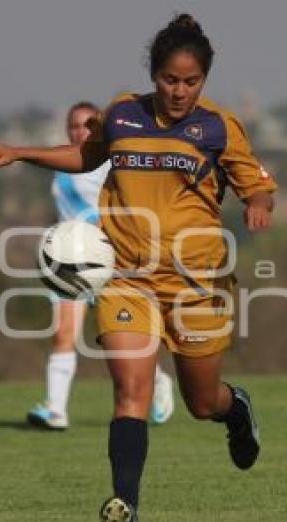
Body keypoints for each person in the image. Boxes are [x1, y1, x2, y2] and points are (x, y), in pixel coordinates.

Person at [0, 14, 276, 522]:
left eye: (191, 82)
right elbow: (84, 156)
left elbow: (256, 184)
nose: (179, 91)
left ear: (204, 80)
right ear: (154, 73)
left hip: (197, 281)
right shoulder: (122, 113)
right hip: (127, 277)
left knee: (201, 402)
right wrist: (21, 152)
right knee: (130, 392)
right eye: (169, 79)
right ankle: (128, 508)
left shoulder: (218, 127)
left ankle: (237, 413)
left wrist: (258, 204)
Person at [24, 101, 175, 431]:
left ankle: (159, 380)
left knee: (116, 341)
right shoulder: (63, 163)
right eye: (73, 125)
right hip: (68, 264)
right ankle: (55, 410)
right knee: (63, 334)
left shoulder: (109, 162)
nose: (79, 131)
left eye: (85, 125)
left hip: (105, 262)